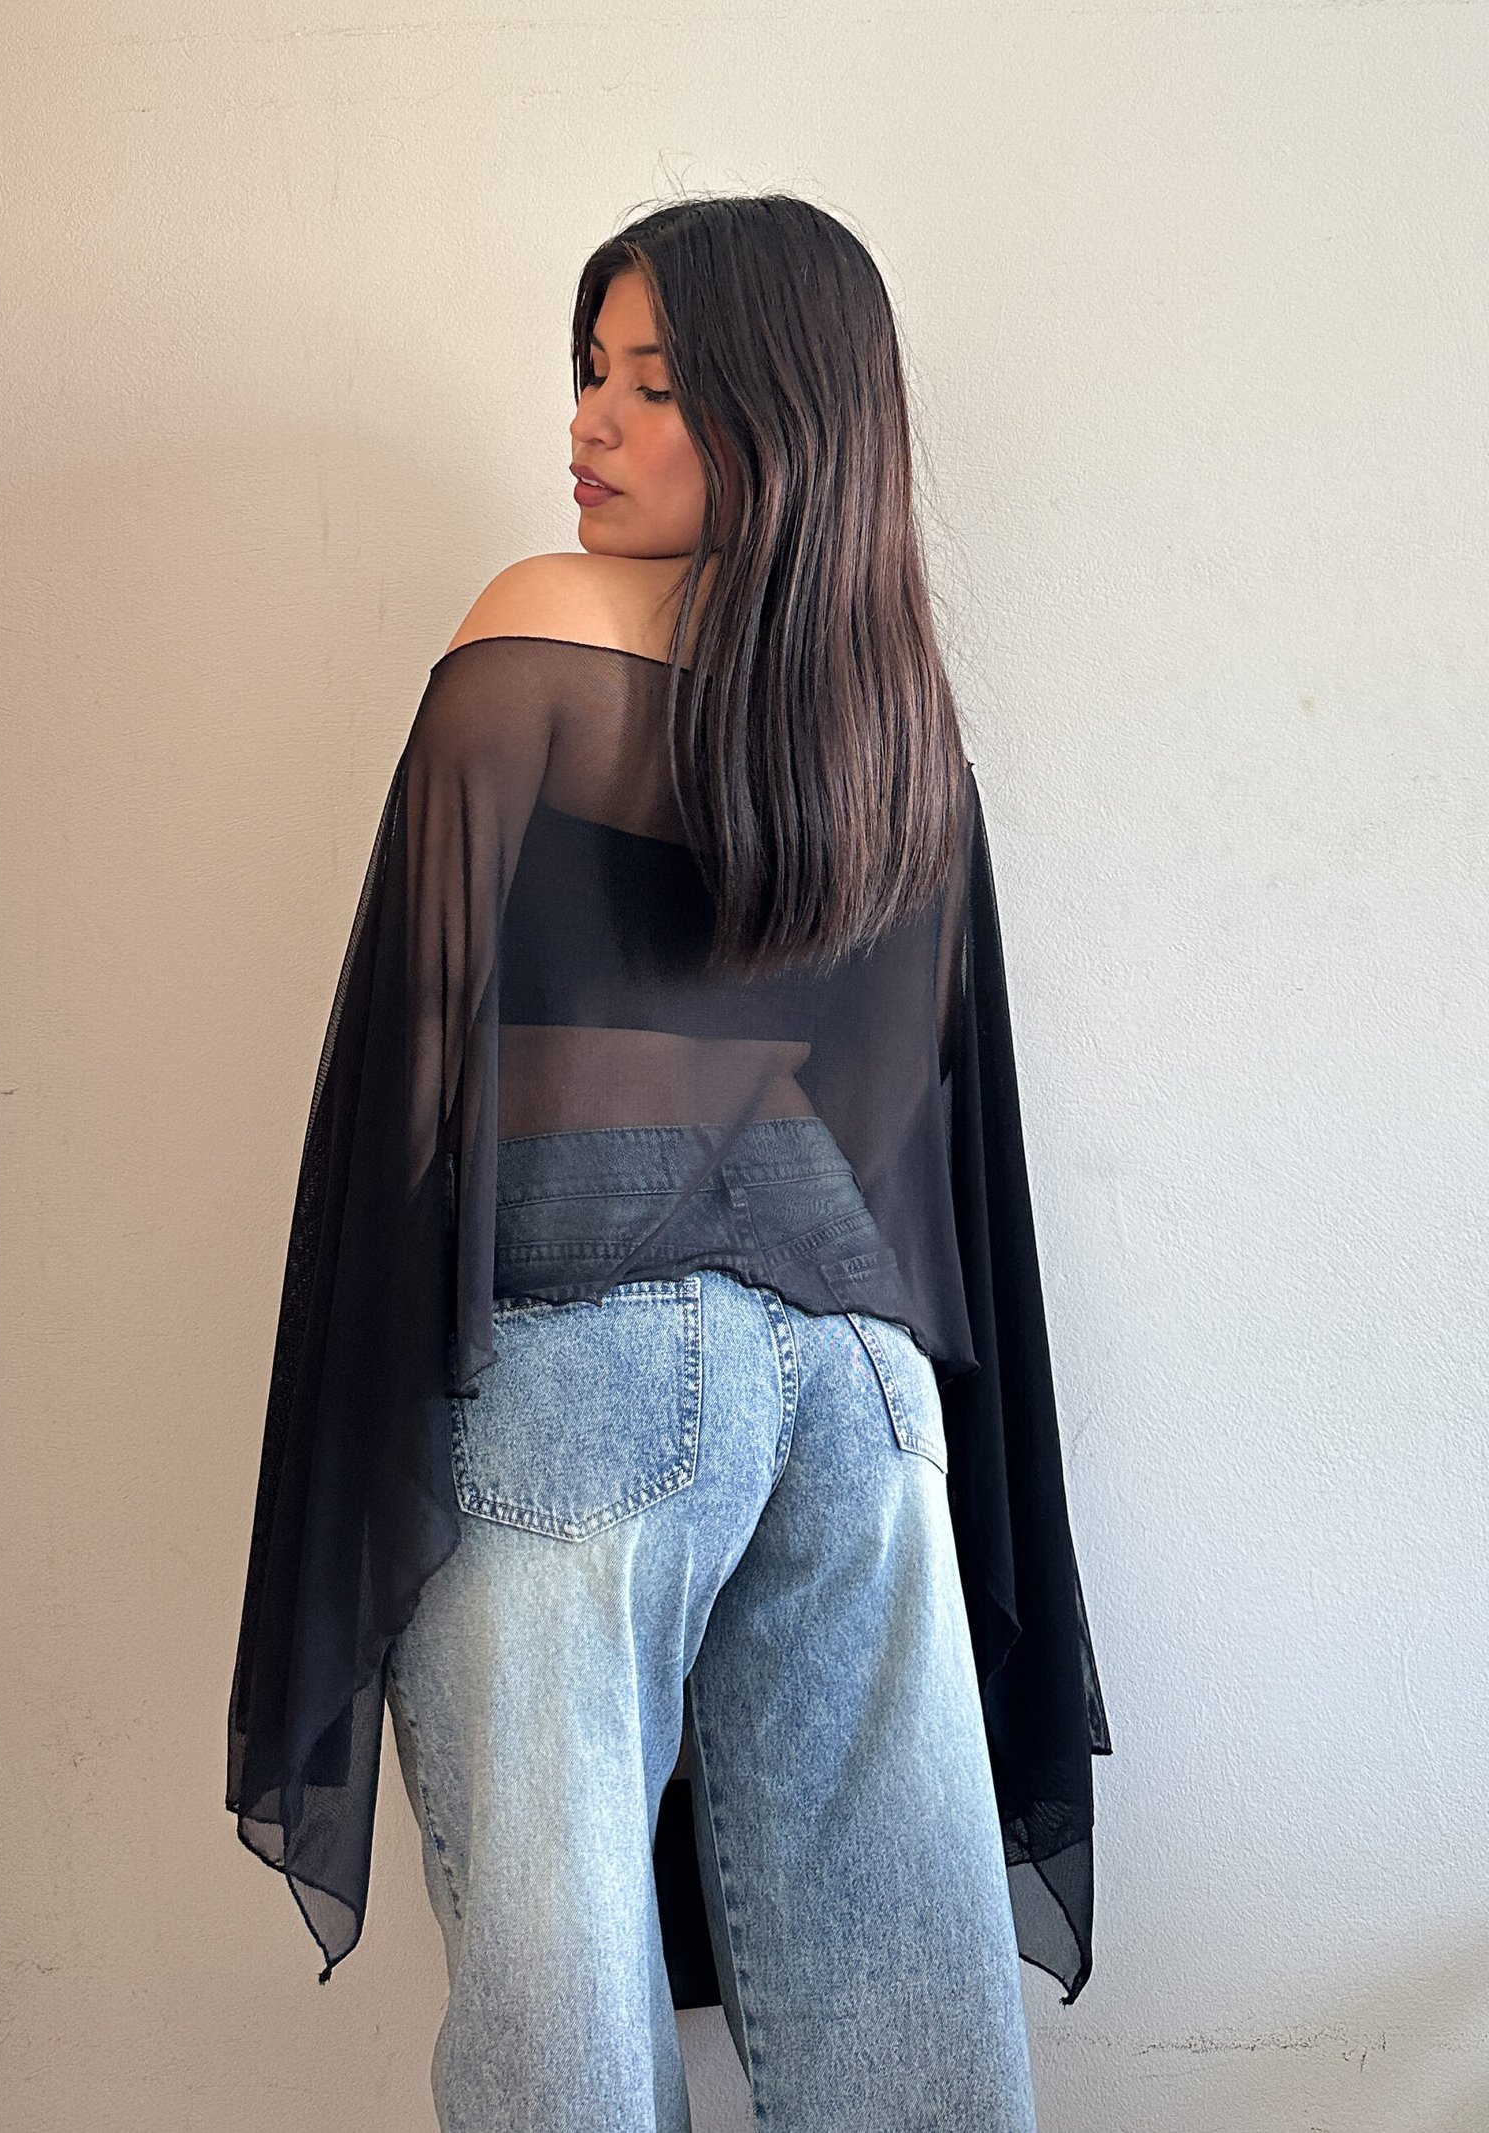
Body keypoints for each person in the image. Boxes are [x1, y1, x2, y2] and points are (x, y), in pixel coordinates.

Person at [227, 193, 1112, 2132]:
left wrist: (364, 1454)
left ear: (778, 416)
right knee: (902, 1998)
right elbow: (921, 1142)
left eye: (652, 383)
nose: (589, 422)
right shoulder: (901, 731)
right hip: (863, 1394)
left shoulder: (534, 624)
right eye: (588, 372)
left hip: (584, 1363)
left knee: (560, 2002)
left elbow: (413, 1077)